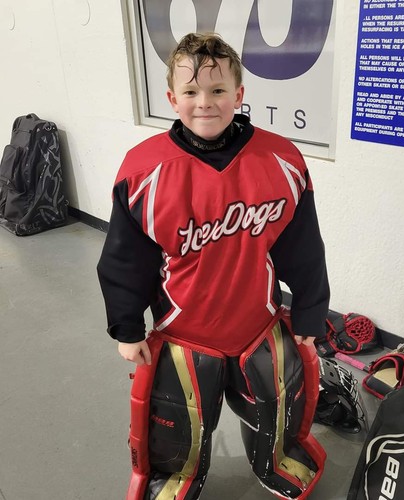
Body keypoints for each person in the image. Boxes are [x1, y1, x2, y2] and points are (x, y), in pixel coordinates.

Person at [97, 32, 330, 500]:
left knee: (278, 409)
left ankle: (277, 460)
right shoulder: (143, 171)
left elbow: (303, 248)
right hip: (184, 334)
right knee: (175, 426)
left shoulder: (282, 159)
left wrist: (310, 314)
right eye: (191, 91)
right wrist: (127, 327)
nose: (205, 102)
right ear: (172, 99)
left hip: (259, 324)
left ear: (239, 95)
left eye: (218, 89)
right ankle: (175, 478)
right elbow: (125, 258)